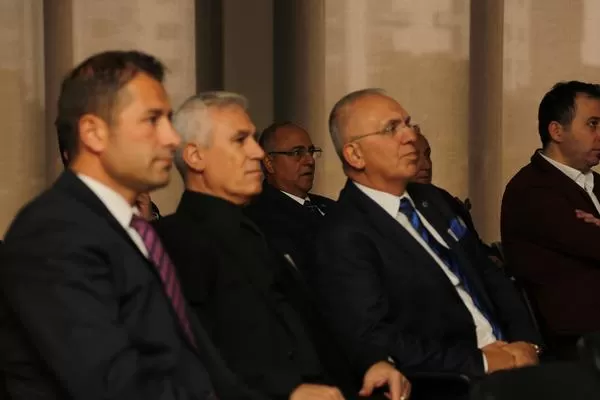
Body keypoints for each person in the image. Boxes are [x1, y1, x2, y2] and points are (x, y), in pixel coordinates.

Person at [0, 50, 258, 400]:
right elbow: (114, 387)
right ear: (94, 133)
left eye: (169, 120)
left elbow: (193, 365)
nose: (171, 138)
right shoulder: (53, 233)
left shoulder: (129, 228)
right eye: (152, 120)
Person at [155, 91, 411, 400]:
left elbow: (315, 323)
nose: (256, 153)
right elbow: (204, 357)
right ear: (195, 157)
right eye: (240, 140)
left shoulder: (251, 231)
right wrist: (287, 393)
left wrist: (371, 362)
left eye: (253, 140)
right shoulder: (177, 240)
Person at [310, 88, 541, 387]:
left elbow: (489, 274)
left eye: (408, 124)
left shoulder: (435, 200)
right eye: (391, 129)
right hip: (455, 381)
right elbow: (376, 338)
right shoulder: (343, 235)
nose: (410, 136)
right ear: (355, 155)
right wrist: (482, 362)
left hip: (517, 361)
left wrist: (527, 344)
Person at [501, 81, 600, 359]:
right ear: (556, 131)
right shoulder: (533, 189)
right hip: (577, 338)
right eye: (593, 124)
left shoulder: (595, 182)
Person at [245, 122, 335, 273]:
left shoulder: (332, 207)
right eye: (297, 153)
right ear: (269, 163)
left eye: (311, 151)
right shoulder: (257, 219)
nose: (310, 160)